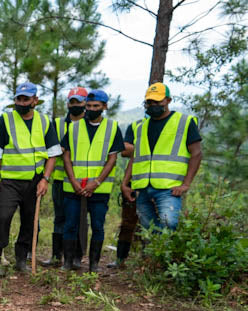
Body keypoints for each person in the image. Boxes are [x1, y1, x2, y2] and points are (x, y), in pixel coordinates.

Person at [0, 82, 61, 277]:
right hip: (10, 181)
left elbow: (53, 153)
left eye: (25, 99)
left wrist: (45, 179)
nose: (21, 102)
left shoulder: (44, 121)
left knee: (30, 221)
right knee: (3, 217)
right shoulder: (6, 120)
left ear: (35, 101)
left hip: (35, 181)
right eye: (18, 99)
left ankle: (21, 259)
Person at [121, 82, 202, 232]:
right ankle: (158, 255)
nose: (153, 105)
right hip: (143, 187)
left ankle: (168, 252)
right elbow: (136, 157)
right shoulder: (139, 127)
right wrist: (125, 183)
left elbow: (196, 153)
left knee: (169, 223)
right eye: (149, 102)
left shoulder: (184, 122)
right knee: (148, 229)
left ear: (168, 100)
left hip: (169, 188)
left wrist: (186, 184)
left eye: (157, 101)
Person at [60, 89, 124, 272]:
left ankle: (94, 265)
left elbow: (112, 159)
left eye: (96, 106)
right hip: (74, 188)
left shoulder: (112, 128)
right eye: (88, 106)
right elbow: (66, 156)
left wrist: (95, 183)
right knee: (70, 224)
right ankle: (68, 262)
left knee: (97, 226)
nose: (91, 109)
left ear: (104, 107)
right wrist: (73, 181)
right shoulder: (74, 127)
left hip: (99, 189)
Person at [40, 87, 87, 268]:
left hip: (82, 180)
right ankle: (55, 256)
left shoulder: (89, 125)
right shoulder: (58, 124)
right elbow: (51, 149)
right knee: (60, 217)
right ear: (68, 103)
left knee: (80, 219)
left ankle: (76, 256)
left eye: (79, 102)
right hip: (60, 179)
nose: (75, 105)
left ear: (85, 104)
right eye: (72, 102)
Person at [107, 119, 142, 268]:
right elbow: (126, 151)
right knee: (128, 222)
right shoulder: (136, 126)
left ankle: (147, 261)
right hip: (135, 182)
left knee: (155, 225)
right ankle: (120, 259)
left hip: (165, 186)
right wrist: (125, 183)